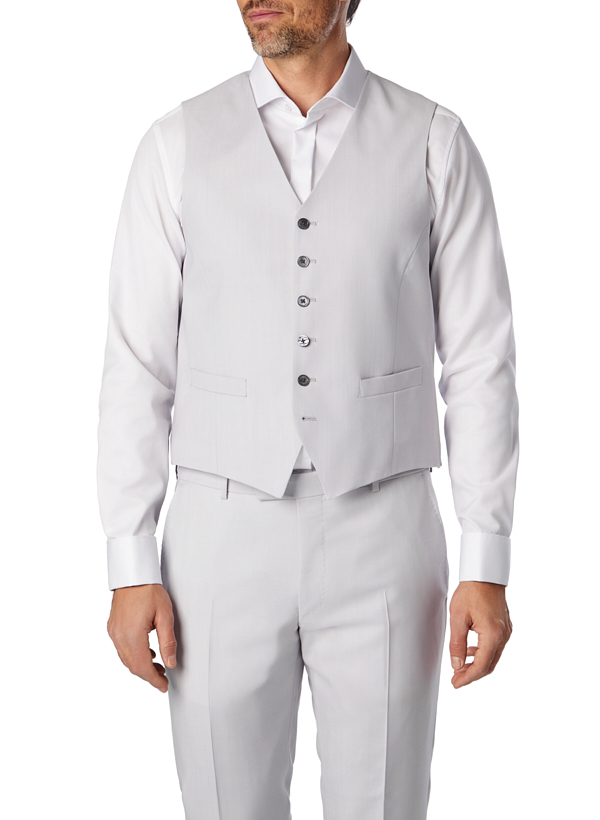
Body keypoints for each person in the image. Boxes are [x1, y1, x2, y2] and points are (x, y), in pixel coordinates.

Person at [96, 1, 519, 817]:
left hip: (386, 530)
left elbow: (479, 361)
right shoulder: (175, 145)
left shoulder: (434, 142)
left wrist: (486, 557)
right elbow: (137, 365)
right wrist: (129, 562)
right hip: (217, 537)